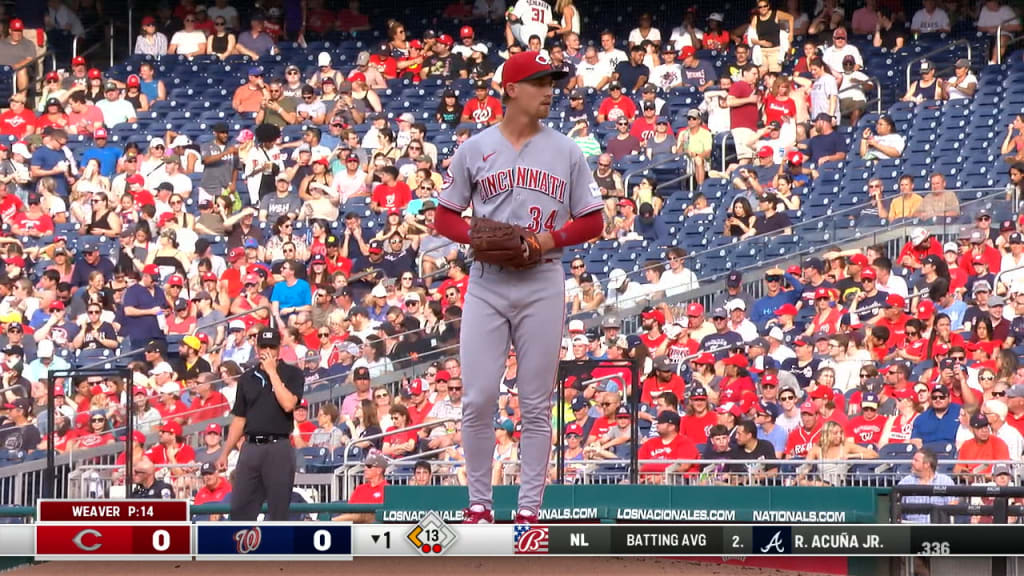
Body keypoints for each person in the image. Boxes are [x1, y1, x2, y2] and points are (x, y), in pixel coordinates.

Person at [434, 51, 604, 524]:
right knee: (479, 396)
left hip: (543, 278)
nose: (550, 90)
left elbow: (594, 219)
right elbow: (444, 215)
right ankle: (478, 505)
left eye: (552, 82)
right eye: (539, 82)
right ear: (511, 89)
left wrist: (550, 238)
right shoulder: (475, 147)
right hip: (487, 282)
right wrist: (480, 238)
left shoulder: (566, 150)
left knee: (535, 402)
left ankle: (530, 509)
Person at [216, 329, 305, 521]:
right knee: (240, 508)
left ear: (279, 348)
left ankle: (275, 549)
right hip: (250, 448)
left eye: (272, 347)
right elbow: (240, 418)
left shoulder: (293, 374)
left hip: (278, 447)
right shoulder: (247, 378)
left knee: (278, 510)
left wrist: (273, 372)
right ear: (256, 348)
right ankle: (241, 549)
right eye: (263, 346)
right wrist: (225, 452)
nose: (267, 351)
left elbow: (289, 404)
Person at [897, 447, 957, 523]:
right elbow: (897, 508)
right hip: (912, 529)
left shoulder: (946, 481)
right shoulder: (905, 482)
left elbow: (952, 504)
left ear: (927, 465)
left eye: (916, 460)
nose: (912, 462)